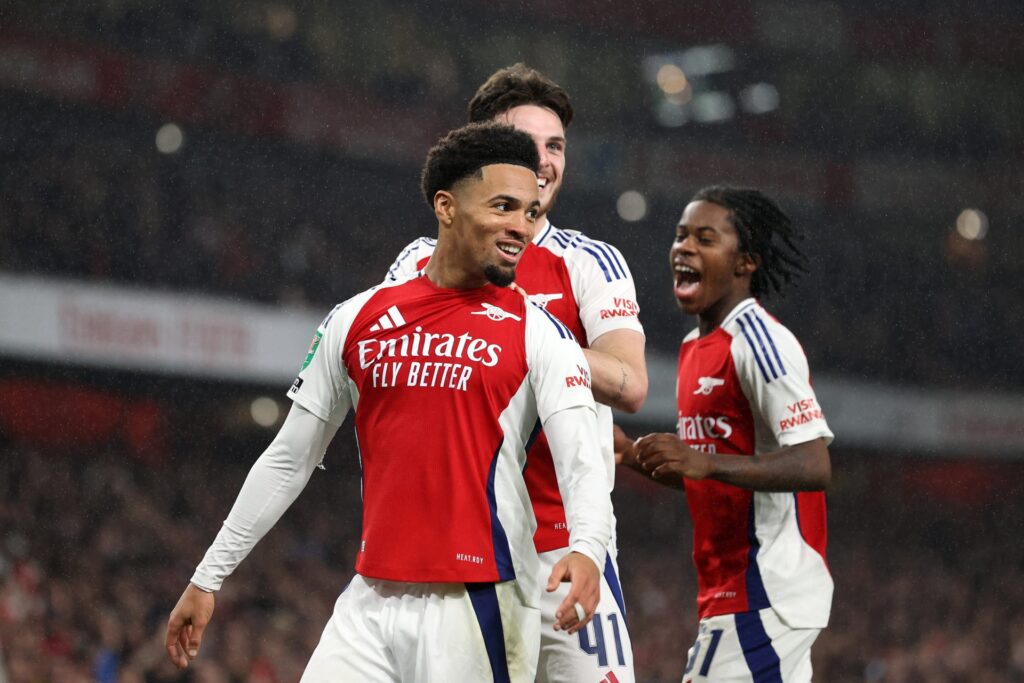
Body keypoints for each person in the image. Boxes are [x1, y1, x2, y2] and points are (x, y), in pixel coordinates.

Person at [164, 122, 615, 683]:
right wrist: (208, 576)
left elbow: (582, 461)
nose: (521, 227)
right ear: (446, 206)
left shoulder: (540, 333)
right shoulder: (356, 317)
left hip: (478, 602)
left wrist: (590, 549)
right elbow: (289, 459)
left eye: (528, 212)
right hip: (370, 599)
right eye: (503, 206)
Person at [387, 64, 646, 683]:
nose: (546, 160)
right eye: (527, 144)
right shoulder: (419, 262)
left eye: (555, 146)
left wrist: (526, 337)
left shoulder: (588, 262)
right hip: (463, 553)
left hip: (567, 548)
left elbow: (630, 382)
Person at [617, 186, 833, 682]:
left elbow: (814, 463)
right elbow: (707, 469)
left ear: (745, 262)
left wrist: (706, 461)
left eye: (705, 238)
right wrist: (633, 454)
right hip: (730, 591)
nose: (684, 248)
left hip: (766, 591)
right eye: (680, 236)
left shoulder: (759, 341)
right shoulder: (695, 348)